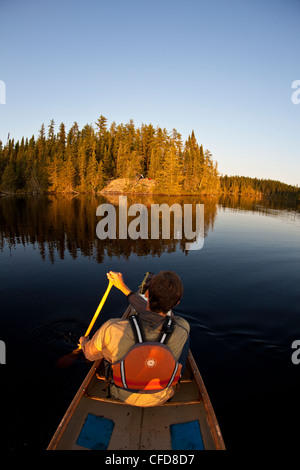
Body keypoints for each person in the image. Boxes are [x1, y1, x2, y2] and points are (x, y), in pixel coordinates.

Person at [79, 271, 190, 407]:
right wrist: (124, 289)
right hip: (163, 395)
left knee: (105, 350)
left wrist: (84, 343)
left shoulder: (112, 328)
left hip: (121, 393)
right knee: (184, 343)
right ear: (177, 303)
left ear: (147, 294)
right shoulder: (182, 327)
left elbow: (90, 355)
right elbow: (150, 312)